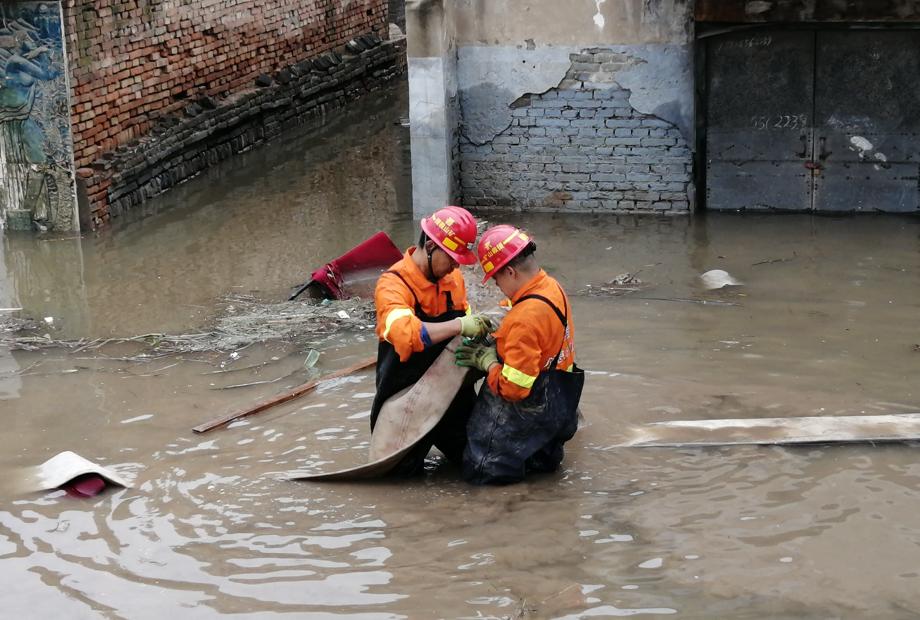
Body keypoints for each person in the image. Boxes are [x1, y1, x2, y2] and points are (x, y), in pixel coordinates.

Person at [455, 225, 584, 485]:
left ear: (511, 272)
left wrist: (488, 362)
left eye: (496, 278)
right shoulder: (552, 288)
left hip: (521, 415)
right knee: (541, 475)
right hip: (558, 410)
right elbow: (531, 320)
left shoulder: (523, 320)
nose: (497, 285)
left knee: (485, 476)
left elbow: (513, 389)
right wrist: (497, 320)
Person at [371, 206, 495, 475]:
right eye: (451, 257)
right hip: (406, 398)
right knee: (396, 479)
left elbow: (467, 329)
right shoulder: (393, 284)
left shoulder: (453, 279)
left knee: (480, 464)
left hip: (451, 395)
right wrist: (459, 324)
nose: (456, 265)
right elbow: (406, 335)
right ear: (429, 246)